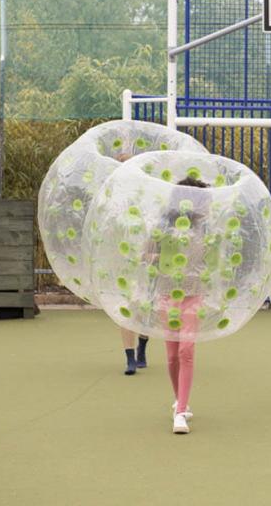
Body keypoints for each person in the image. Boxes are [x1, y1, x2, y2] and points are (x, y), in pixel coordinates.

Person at [158, 175, 209, 434]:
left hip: (194, 293)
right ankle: (180, 399)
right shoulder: (164, 226)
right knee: (171, 355)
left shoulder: (207, 229)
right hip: (167, 293)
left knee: (186, 350)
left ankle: (181, 412)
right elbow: (147, 252)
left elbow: (215, 260)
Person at [113, 152, 150, 375]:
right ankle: (129, 358)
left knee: (146, 309)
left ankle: (142, 347)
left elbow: (154, 225)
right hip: (123, 259)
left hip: (146, 259)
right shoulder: (114, 196)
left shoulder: (146, 193)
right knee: (126, 308)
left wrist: (150, 252)